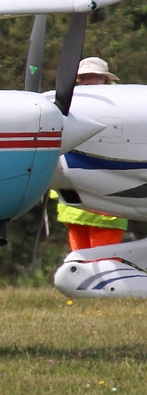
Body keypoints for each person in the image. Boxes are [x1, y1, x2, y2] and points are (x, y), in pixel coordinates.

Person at [54, 56, 128, 251]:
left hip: (108, 203)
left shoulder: (122, 106)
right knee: (80, 263)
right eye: (82, 78)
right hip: (75, 203)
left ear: (106, 79)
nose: (86, 82)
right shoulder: (68, 104)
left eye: (92, 77)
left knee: (106, 263)